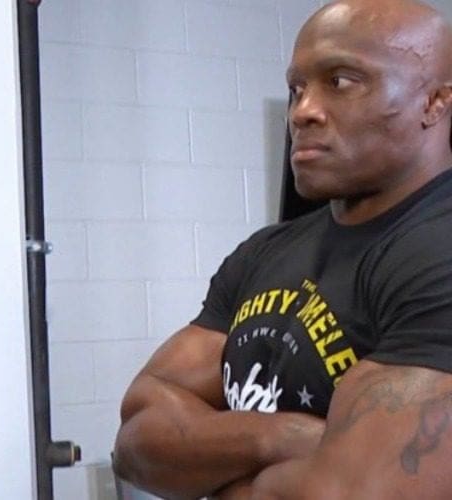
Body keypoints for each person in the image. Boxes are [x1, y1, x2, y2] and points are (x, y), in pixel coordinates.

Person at [112, 0, 452, 498]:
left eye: (341, 81)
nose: (303, 111)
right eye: (297, 89)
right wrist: (277, 436)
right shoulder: (264, 253)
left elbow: (352, 492)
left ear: (434, 103)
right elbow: (137, 439)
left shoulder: (437, 255)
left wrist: (217, 473)